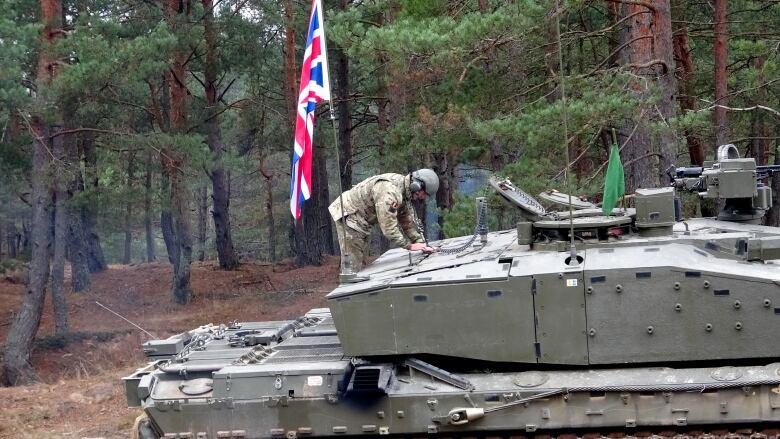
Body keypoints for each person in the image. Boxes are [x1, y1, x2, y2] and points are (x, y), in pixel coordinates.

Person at [329, 169, 439, 271]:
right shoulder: (390, 192)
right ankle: (349, 290)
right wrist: (409, 246)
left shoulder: (404, 189)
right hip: (350, 216)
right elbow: (388, 228)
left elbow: (407, 221)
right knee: (353, 269)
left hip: (362, 220)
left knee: (361, 264)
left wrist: (420, 243)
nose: (423, 198)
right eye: (424, 194)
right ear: (417, 186)